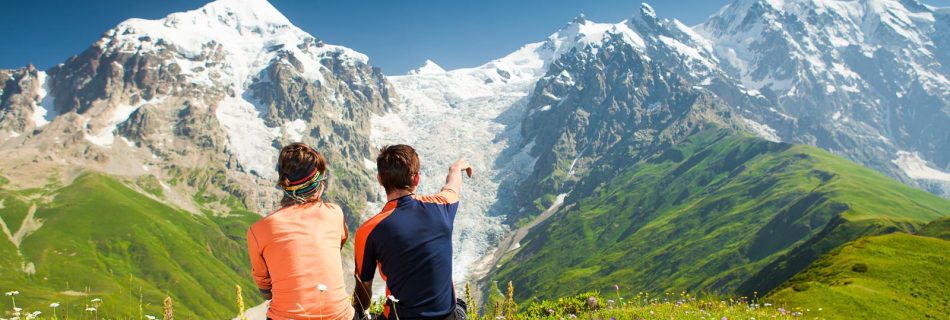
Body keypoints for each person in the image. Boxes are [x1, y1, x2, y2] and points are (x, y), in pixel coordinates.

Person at [352, 144, 472, 320]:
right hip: (449, 317)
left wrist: (360, 315)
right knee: (459, 304)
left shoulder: (369, 230)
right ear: (416, 179)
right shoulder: (442, 206)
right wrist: (456, 168)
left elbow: (364, 287)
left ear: (379, 179)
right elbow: (452, 187)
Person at [247, 143, 356, 320]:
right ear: (319, 184)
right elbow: (336, 247)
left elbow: (265, 289)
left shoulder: (258, 231)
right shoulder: (334, 214)